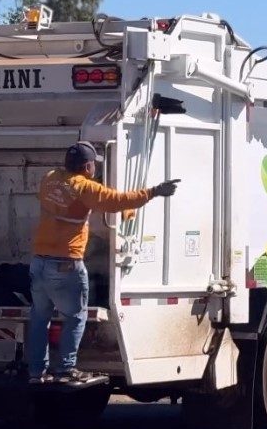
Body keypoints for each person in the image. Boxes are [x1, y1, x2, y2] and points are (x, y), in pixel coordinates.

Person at [29, 141, 179, 384]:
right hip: (66, 263)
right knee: (76, 316)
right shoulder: (85, 188)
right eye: (93, 165)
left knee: (39, 317)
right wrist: (154, 192)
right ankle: (65, 369)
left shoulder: (50, 178)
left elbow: (71, 193)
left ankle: (36, 372)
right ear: (87, 166)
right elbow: (118, 200)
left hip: (39, 262)